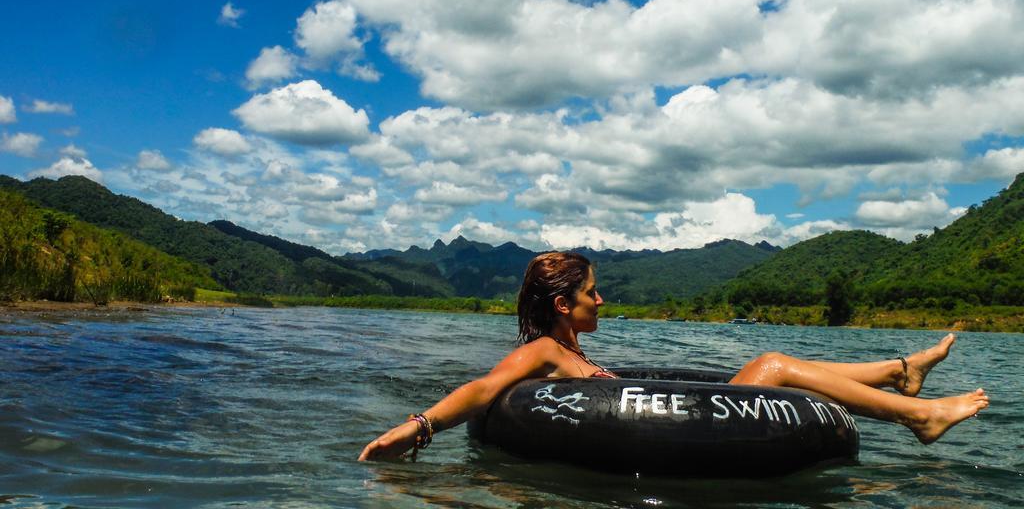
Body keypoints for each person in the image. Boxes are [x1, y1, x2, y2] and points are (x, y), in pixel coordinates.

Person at [359, 251, 988, 461]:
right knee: (771, 365)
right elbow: (483, 389)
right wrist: (416, 428)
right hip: (655, 441)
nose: (601, 301)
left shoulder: (564, 345)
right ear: (562, 304)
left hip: (710, 419)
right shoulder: (543, 351)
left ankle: (900, 374)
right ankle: (915, 413)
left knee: (774, 368)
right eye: (591, 293)